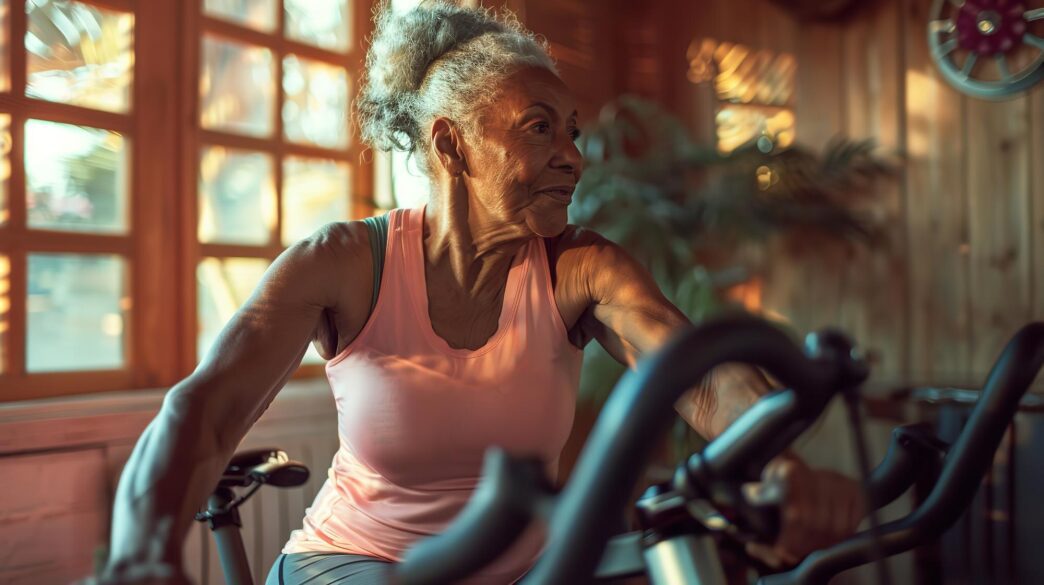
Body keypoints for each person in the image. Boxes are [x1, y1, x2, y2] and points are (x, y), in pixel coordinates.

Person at [91, 2, 863, 584]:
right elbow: (205, 407)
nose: (572, 157)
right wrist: (139, 554)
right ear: (450, 144)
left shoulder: (579, 267)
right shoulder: (345, 262)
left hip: (524, 566)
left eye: (573, 133)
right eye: (538, 129)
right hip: (357, 559)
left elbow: (698, 375)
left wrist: (778, 468)